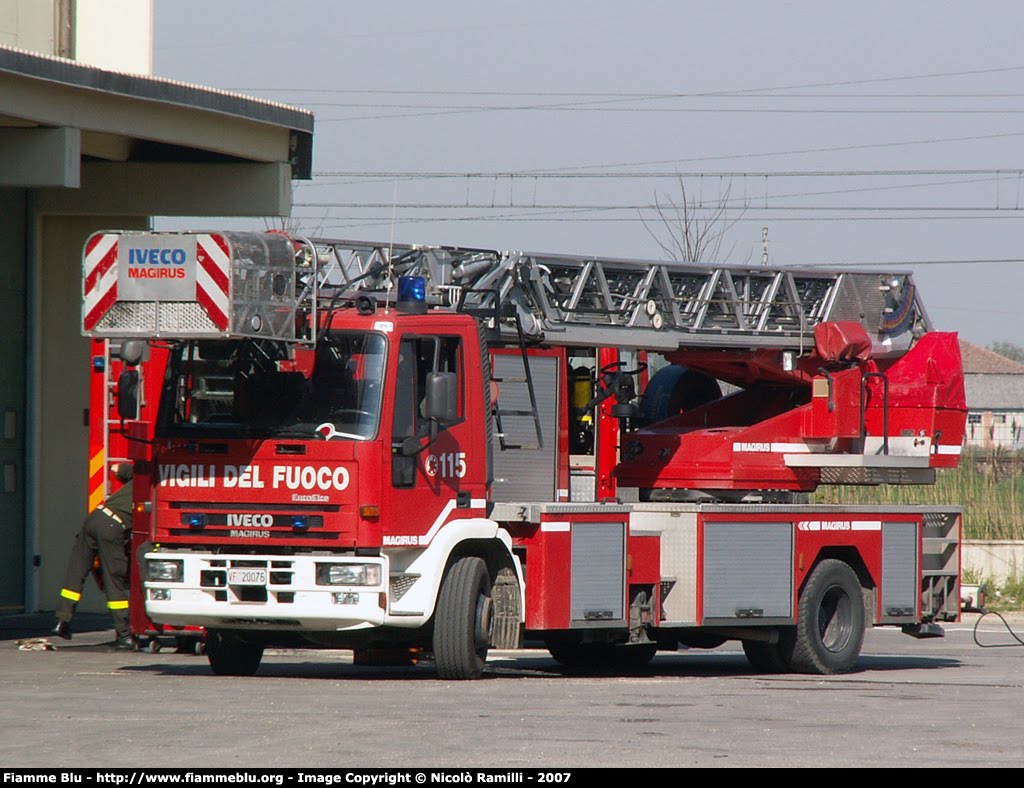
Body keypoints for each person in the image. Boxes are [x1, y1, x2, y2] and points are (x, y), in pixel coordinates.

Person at [52, 463, 134, 649]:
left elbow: (115, 468)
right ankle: (124, 636)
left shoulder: (137, 478)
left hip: (94, 518)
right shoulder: (153, 490)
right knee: (114, 580)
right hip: (112, 526)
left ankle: (62, 622)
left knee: (76, 572)